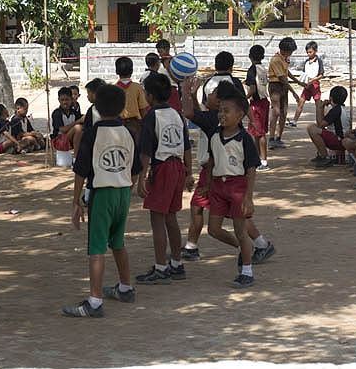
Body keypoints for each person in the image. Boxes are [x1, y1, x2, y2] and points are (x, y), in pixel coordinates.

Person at [63, 85, 141, 317]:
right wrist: (127, 186)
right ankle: (125, 287)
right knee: (118, 242)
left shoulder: (93, 133)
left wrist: (76, 201)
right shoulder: (128, 132)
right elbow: (135, 168)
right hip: (123, 192)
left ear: (95, 105)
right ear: (122, 108)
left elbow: (80, 171)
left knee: (97, 247)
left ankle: (94, 302)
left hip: (102, 192)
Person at [180, 79, 275, 264]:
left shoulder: (218, 120)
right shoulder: (220, 118)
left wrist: (184, 91)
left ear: (221, 100)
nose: (211, 94)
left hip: (219, 175)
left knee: (220, 212)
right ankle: (257, 245)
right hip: (215, 173)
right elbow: (199, 114)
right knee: (228, 216)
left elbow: (191, 114)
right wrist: (192, 95)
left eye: (214, 92)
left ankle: (249, 248)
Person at [135, 74, 193, 284]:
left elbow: (145, 151)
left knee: (157, 218)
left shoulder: (152, 116)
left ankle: (161, 266)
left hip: (163, 167)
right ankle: (176, 263)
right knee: (171, 217)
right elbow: (186, 145)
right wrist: (189, 172)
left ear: (150, 96)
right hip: (178, 167)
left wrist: (141, 178)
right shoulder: (176, 114)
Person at [203, 91, 261, 288]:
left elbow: (251, 169)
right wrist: (208, 185)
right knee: (213, 229)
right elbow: (212, 161)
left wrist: (249, 197)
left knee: (240, 230)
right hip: (219, 186)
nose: (221, 115)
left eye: (226, 111)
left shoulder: (244, 139)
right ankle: (244, 249)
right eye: (220, 110)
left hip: (237, 186)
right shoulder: (214, 136)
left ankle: (247, 271)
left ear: (240, 116)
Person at [267, 37, 302, 149]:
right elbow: (282, 78)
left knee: (283, 112)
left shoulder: (284, 59)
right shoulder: (276, 60)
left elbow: (286, 72)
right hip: (276, 86)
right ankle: (271, 138)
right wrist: (294, 92)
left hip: (283, 87)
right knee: (276, 112)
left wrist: (298, 82)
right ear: (285, 50)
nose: (291, 54)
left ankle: (279, 138)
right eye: (290, 51)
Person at [307, 86, 351, 168]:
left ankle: (325, 157)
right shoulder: (340, 108)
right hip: (342, 139)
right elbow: (323, 123)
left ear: (331, 98)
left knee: (312, 128)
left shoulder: (335, 110)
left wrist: (319, 107)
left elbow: (320, 124)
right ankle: (322, 155)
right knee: (316, 128)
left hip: (338, 141)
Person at [245, 45, 270, 171]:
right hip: (265, 101)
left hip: (257, 103)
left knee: (259, 132)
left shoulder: (252, 70)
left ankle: (263, 161)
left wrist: (244, 98)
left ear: (250, 56)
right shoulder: (263, 68)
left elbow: (252, 89)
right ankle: (259, 158)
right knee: (258, 132)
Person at [288, 41, 324, 126]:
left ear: (315, 51)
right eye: (307, 52)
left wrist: (313, 80)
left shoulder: (318, 61)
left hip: (315, 85)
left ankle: (320, 122)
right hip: (307, 85)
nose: (309, 54)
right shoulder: (307, 62)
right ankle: (294, 121)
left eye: (310, 52)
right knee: (301, 102)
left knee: (318, 104)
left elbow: (321, 74)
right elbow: (304, 73)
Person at [115, 56, 148, 141]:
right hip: (135, 125)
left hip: (118, 124)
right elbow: (143, 109)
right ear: (132, 71)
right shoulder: (137, 87)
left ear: (116, 71)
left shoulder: (113, 88)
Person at [72, 78, 106, 159]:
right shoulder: (107, 107)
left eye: (88, 93)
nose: (87, 96)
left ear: (95, 93)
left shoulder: (93, 110)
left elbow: (86, 128)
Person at [51, 87, 82, 153]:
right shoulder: (57, 113)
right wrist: (78, 121)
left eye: (67, 100)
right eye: (62, 100)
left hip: (70, 139)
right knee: (78, 128)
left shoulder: (74, 112)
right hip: (59, 140)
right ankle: (76, 155)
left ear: (71, 99)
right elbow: (63, 129)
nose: (65, 102)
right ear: (59, 100)